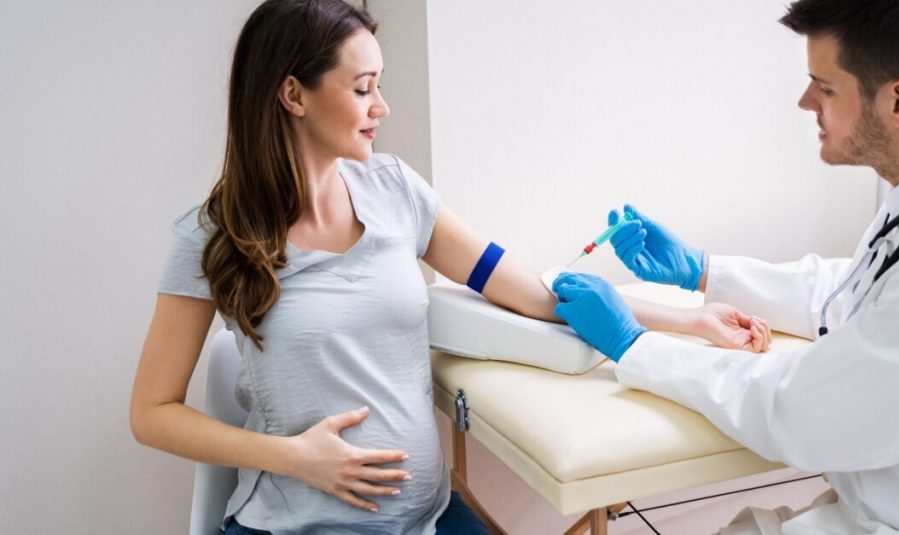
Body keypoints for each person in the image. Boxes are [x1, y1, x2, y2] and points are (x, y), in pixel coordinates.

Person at [128, 1, 771, 533]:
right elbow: (152, 411)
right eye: (363, 88)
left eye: (380, 85)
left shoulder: (397, 191)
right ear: (293, 94)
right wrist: (294, 458)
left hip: (428, 519)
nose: (382, 106)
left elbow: (536, 294)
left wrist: (689, 319)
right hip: (295, 525)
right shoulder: (212, 236)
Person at [552, 0, 899, 533]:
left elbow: (799, 409)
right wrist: (702, 271)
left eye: (825, 88)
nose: (805, 102)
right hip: (897, 499)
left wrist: (635, 345)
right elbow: (856, 290)